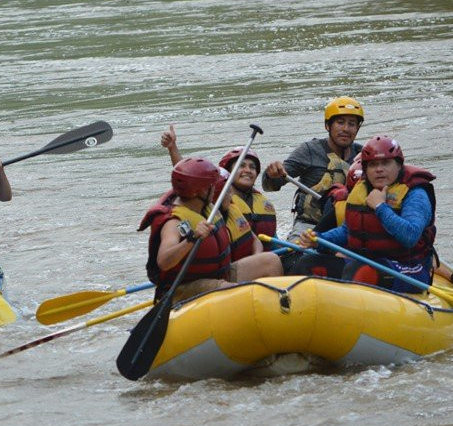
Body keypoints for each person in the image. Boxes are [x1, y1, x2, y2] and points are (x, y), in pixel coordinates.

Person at [298, 136, 436, 293]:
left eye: (386, 163)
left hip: (409, 268)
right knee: (307, 263)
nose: (379, 169)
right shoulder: (361, 190)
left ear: (399, 165)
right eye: (373, 165)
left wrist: (380, 206)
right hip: (367, 261)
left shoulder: (416, 193)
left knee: (360, 271)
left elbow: (410, 236)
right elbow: (347, 231)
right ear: (366, 169)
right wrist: (319, 240)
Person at [139, 158, 282, 302]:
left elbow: (189, 172)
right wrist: (191, 239)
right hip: (185, 288)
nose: (216, 188)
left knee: (271, 261)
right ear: (200, 191)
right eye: (212, 185)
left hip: (219, 273)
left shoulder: (208, 206)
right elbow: (164, 261)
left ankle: (276, 306)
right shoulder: (174, 221)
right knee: (230, 289)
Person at [261, 96, 365, 240]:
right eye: (340, 123)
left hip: (347, 225)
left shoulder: (363, 155)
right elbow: (271, 185)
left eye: (352, 124)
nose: (346, 129)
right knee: (296, 257)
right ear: (328, 125)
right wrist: (271, 175)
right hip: (309, 224)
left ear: (357, 128)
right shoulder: (309, 150)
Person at [161, 126, 277, 248]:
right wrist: (172, 148)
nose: (247, 170)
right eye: (241, 166)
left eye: (252, 167)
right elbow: (189, 176)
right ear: (227, 171)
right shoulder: (218, 196)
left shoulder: (259, 200)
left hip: (264, 251)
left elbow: (265, 239)